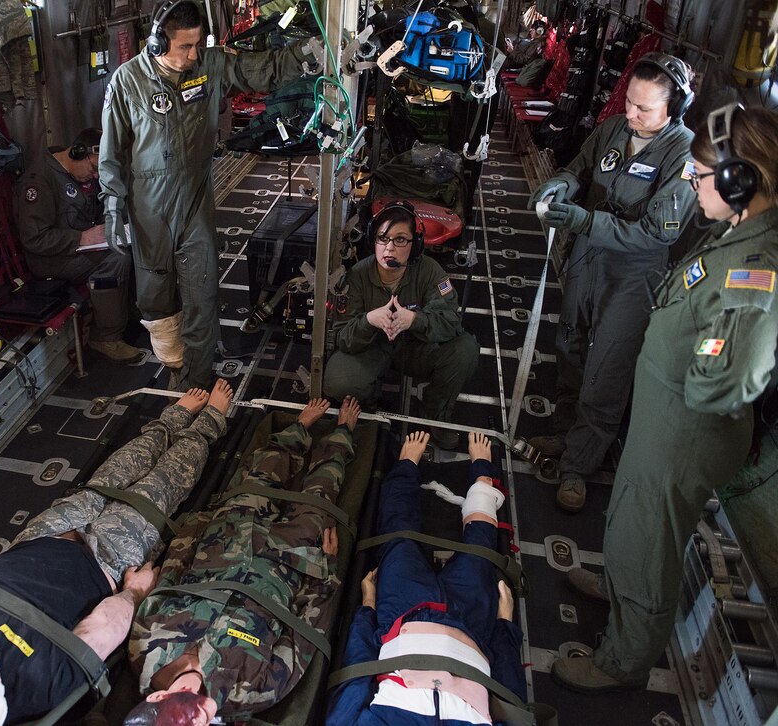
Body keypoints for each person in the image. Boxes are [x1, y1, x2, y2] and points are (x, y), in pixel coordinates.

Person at [551, 104, 778, 693]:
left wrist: (693, 352)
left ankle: (621, 659)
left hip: (686, 429)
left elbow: (725, 379)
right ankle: (621, 586)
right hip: (662, 416)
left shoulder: (755, 270)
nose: (689, 182)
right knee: (631, 514)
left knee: (650, 535)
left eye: (699, 176)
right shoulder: (736, 234)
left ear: (739, 182)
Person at [0, 381, 233, 724]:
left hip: (43, 537)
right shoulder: (34, 688)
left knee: (116, 471)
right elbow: (101, 629)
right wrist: (136, 592)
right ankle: (209, 419)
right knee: (163, 481)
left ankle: (176, 416)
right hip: (102, 563)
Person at [100, 0, 322, 390]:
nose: (193, 54)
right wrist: (113, 205)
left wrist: (306, 52)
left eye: (197, 44)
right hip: (148, 209)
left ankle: (195, 387)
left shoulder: (209, 65)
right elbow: (112, 151)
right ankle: (174, 368)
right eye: (184, 47)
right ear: (156, 45)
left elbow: (262, 69)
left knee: (202, 298)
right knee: (156, 303)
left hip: (196, 199)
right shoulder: (127, 81)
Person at [526, 53, 698, 511]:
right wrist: (559, 186)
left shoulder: (685, 157)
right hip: (589, 255)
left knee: (608, 368)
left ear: (674, 108)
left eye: (644, 109)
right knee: (570, 344)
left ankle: (579, 467)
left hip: (633, 270)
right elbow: (581, 167)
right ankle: (567, 433)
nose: (632, 115)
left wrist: (584, 220)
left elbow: (653, 233)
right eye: (629, 104)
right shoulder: (614, 129)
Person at [125, 396, 362, 720]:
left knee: (257, 475)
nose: (199, 712)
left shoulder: (145, 649)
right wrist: (324, 573)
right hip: (287, 563)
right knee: (320, 493)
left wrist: (189, 535)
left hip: (222, 545)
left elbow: (168, 583)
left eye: (184, 712)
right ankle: (342, 433)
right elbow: (305, 632)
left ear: (159, 696)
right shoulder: (254, 690)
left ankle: (300, 427)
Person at [327, 431, 524, 725]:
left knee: (398, 539)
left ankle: (406, 464)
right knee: (481, 548)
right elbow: (510, 699)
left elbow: (355, 674)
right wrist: (505, 626)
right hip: (472, 627)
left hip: (403, 618)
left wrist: (368, 605)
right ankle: (482, 473)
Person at [324, 202, 479, 450]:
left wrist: (415, 320)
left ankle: (436, 411)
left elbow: (451, 322)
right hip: (373, 347)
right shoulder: (357, 276)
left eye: (401, 240)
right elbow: (342, 337)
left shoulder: (430, 272)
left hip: (415, 348)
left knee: (465, 350)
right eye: (382, 238)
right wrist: (369, 320)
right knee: (338, 381)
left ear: (415, 245)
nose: (389, 248)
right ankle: (370, 402)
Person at [14, 127, 143, 362]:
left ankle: (131, 314)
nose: (95, 176)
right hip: (51, 259)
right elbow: (34, 239)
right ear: (76, 152)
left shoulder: (75, 173)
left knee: (132, 240)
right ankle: (105, 337)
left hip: (82, 246)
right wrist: (81, 239)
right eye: (93, 169)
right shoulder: (40, 182)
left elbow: (96, 206)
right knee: (116, 258)